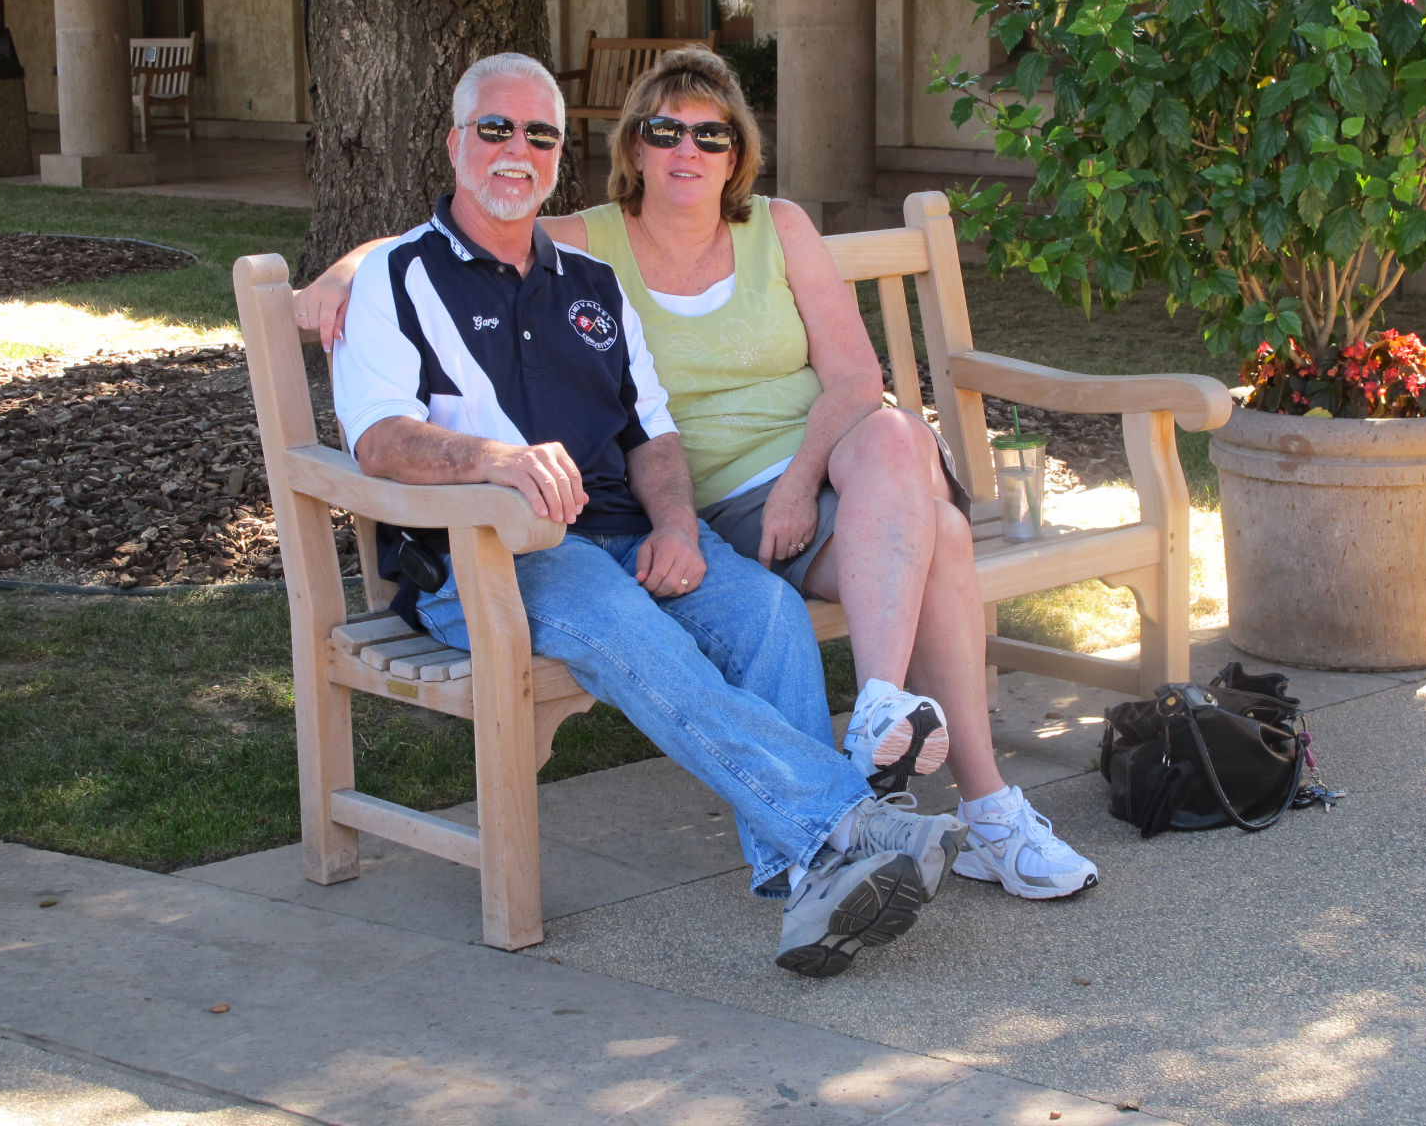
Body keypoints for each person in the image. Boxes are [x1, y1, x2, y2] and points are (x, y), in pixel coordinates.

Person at [300, 48, 1098, 902]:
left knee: (770, 614)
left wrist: (678, 526)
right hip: (495, 549)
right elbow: (380, 441)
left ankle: (811, 869)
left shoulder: (590, 281)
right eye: (495, 128)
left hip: (631, 530)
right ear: (455, 141)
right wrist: (493, 460)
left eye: (539, 135)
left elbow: (652, 433)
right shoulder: (400, 278)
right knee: (632, 629)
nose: (516, 149)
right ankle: (848, 830)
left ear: (561, 153)